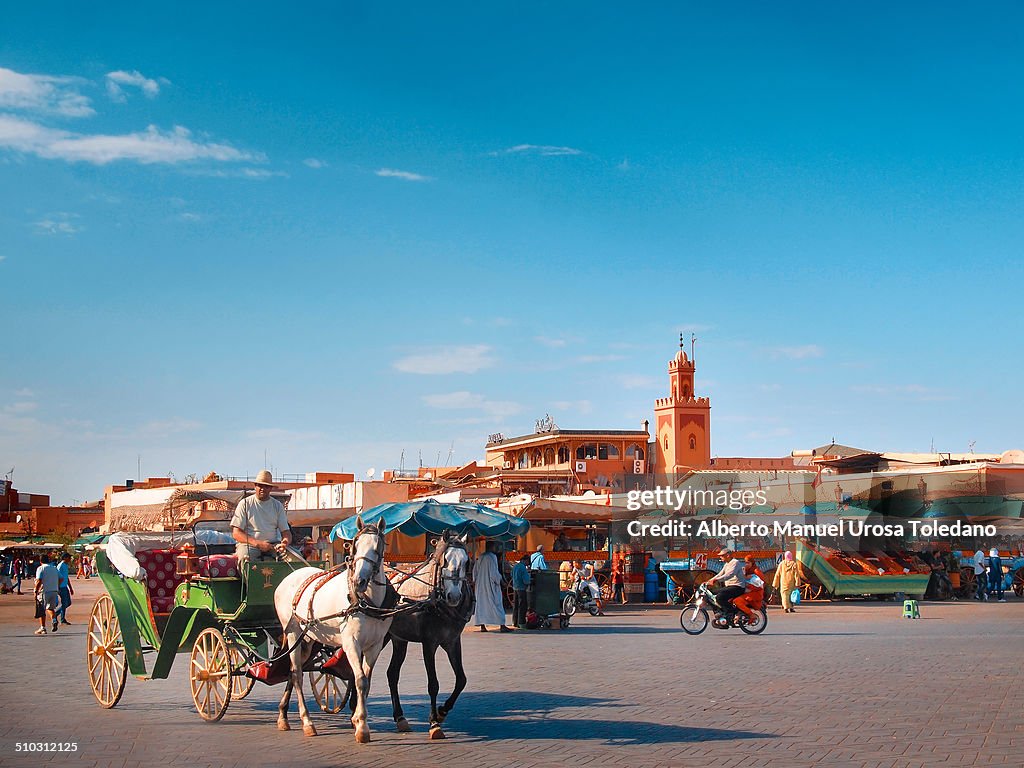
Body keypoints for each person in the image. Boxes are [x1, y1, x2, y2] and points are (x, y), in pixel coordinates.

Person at [230, 470, 291, 563]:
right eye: (260, 485)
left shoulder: (277, 505)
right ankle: (247, 578)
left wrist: (284, 543)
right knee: (245, 559)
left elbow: (286, 532)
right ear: (255, 486)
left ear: (270, 488)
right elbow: (236, 533)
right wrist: (258, 543)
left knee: (294, 559)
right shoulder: (245, 504)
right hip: (249, 545)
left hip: (273, 545)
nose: (263, 488)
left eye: (266, 486)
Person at [473, 542, 510, 632]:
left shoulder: (481, 556)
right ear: (492, 547)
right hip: (490, 585)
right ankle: (502, 625)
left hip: (480, 585)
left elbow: (475, 571)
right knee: (497, 603)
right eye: (496, 547)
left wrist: (476, 582)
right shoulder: (492, 557)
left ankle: (482, 626)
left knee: (481, 605)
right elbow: (494, 573)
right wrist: (501, 581)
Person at [706, 548, 747, 623]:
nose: (720, 557)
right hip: (730, 587)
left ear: (727, 555)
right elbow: (720, 574)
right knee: (710, 594)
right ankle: (720, 613)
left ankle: (731, 612)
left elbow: (729, 575)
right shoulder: (727, 564)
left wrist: (716, 580)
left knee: (720, 597)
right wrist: (709, 581)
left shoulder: (735, 562)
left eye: (722, 556)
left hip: (737, 587)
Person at [34, 554, 60, 635]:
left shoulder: (41, 568)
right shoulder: (54, 568)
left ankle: (43, 627)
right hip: (54, 590)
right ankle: (54, 620)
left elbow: (39, 580)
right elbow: (61, 578)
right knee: (50, 608)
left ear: (40, 561)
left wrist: (36, 590)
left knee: (42, 609)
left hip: (44, 591)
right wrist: (56, 586)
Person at [733, 556, 765, 621]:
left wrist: (750, 585)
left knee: (737, 601)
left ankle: (751, 614)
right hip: (747, 591)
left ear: (752, 563)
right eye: (745, 563)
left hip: (755, 593)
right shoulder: (746, 570)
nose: (746, 564)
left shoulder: (756, 571)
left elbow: (761, 584)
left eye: (748, 563)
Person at [511, 554, 531, 629]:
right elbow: (526, 580)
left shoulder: (515, 566)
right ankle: (521, 622)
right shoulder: (523, 568)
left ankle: (515, 622)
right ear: (526, 560)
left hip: (515, 588)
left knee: (515, 606)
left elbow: (511, 575)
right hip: (522, 589)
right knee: (522, 606)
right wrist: (529, 582)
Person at [55, 552, 74, 625]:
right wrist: (57, 587)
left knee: (68, 603)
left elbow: (66, 577)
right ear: (65, 558)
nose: (69, 559)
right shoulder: (60, 566)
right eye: (69, 557)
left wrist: (70, 587)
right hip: (60, 587)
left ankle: (57, 614)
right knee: (64, 603)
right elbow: (57, 577)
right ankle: (62, 618)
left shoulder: (65, 566)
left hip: (65, 586)